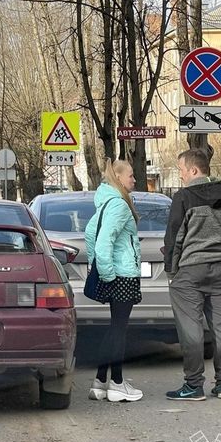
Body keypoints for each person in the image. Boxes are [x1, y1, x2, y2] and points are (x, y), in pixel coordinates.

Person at [163, 148, 221, 401]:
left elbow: (174, 238)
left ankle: (194, 385)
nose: (181, 176)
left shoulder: (184, 197)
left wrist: (171, 271)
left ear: (194, 170)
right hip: (219, 268)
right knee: (220, 324)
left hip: (190, 270)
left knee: (190, 328)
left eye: (182, 171)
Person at [84, 159, 144, 402]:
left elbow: (90, 234)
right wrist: (108, 274)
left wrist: (96, 265)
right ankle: (117, 384)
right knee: (119, 329)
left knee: (114, 328)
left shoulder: (106, 202)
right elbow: (102, 241)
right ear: (118, 178)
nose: (134, 179)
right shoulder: (118, 205)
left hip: (115, 273)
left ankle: (100, 382)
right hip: (122, 274)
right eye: (130, 175)